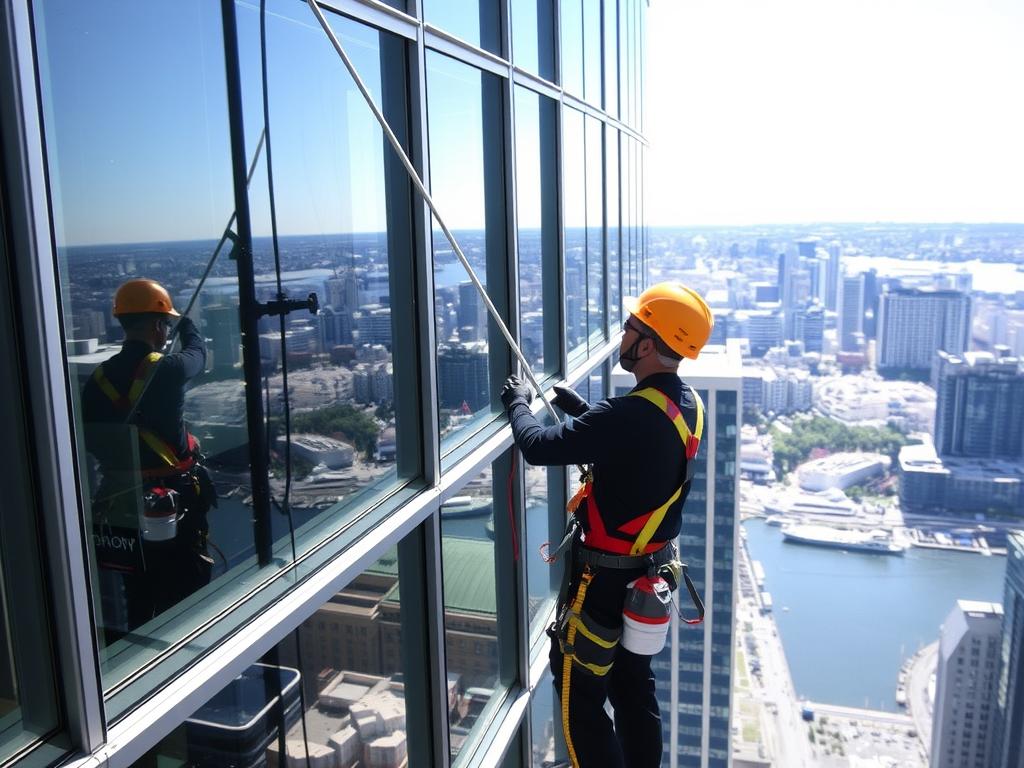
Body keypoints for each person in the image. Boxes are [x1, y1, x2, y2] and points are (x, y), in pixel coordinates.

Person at [501, 282, 714, 768]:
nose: (623, 334)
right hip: (650, 577)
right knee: (633, 688)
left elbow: (537, 446)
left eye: (630, 327)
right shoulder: (687, 405)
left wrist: (516, 402)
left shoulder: (628, 415)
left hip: (604, 585)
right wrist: (584, 413)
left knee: (581, 698)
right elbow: (643, 455)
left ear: (647, 343)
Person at [82, 278, 214, 636]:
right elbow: (197, 356)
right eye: (164, 324)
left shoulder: (97, 378)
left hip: (120, 500)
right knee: (185, 587)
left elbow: (95, 435)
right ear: (158, 325)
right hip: (171, 500)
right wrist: (186, 323)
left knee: (137, 590)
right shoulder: (166, 369)